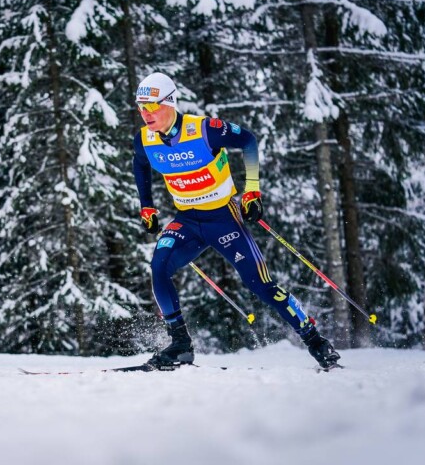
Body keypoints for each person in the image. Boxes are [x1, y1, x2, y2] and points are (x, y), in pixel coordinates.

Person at [132, 72, 341, 370]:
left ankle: (315, 340)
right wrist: (147, 207)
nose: (146, 114)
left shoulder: (203, 129)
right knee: (159, 267)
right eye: (141, 108)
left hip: (223, 219)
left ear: (170, 102)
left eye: (152, 107)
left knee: (259, 284)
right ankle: (180, 345)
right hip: (186, 221)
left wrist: (252, 189)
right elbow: (139, 164)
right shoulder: (144, 138)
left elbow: (248, 141)